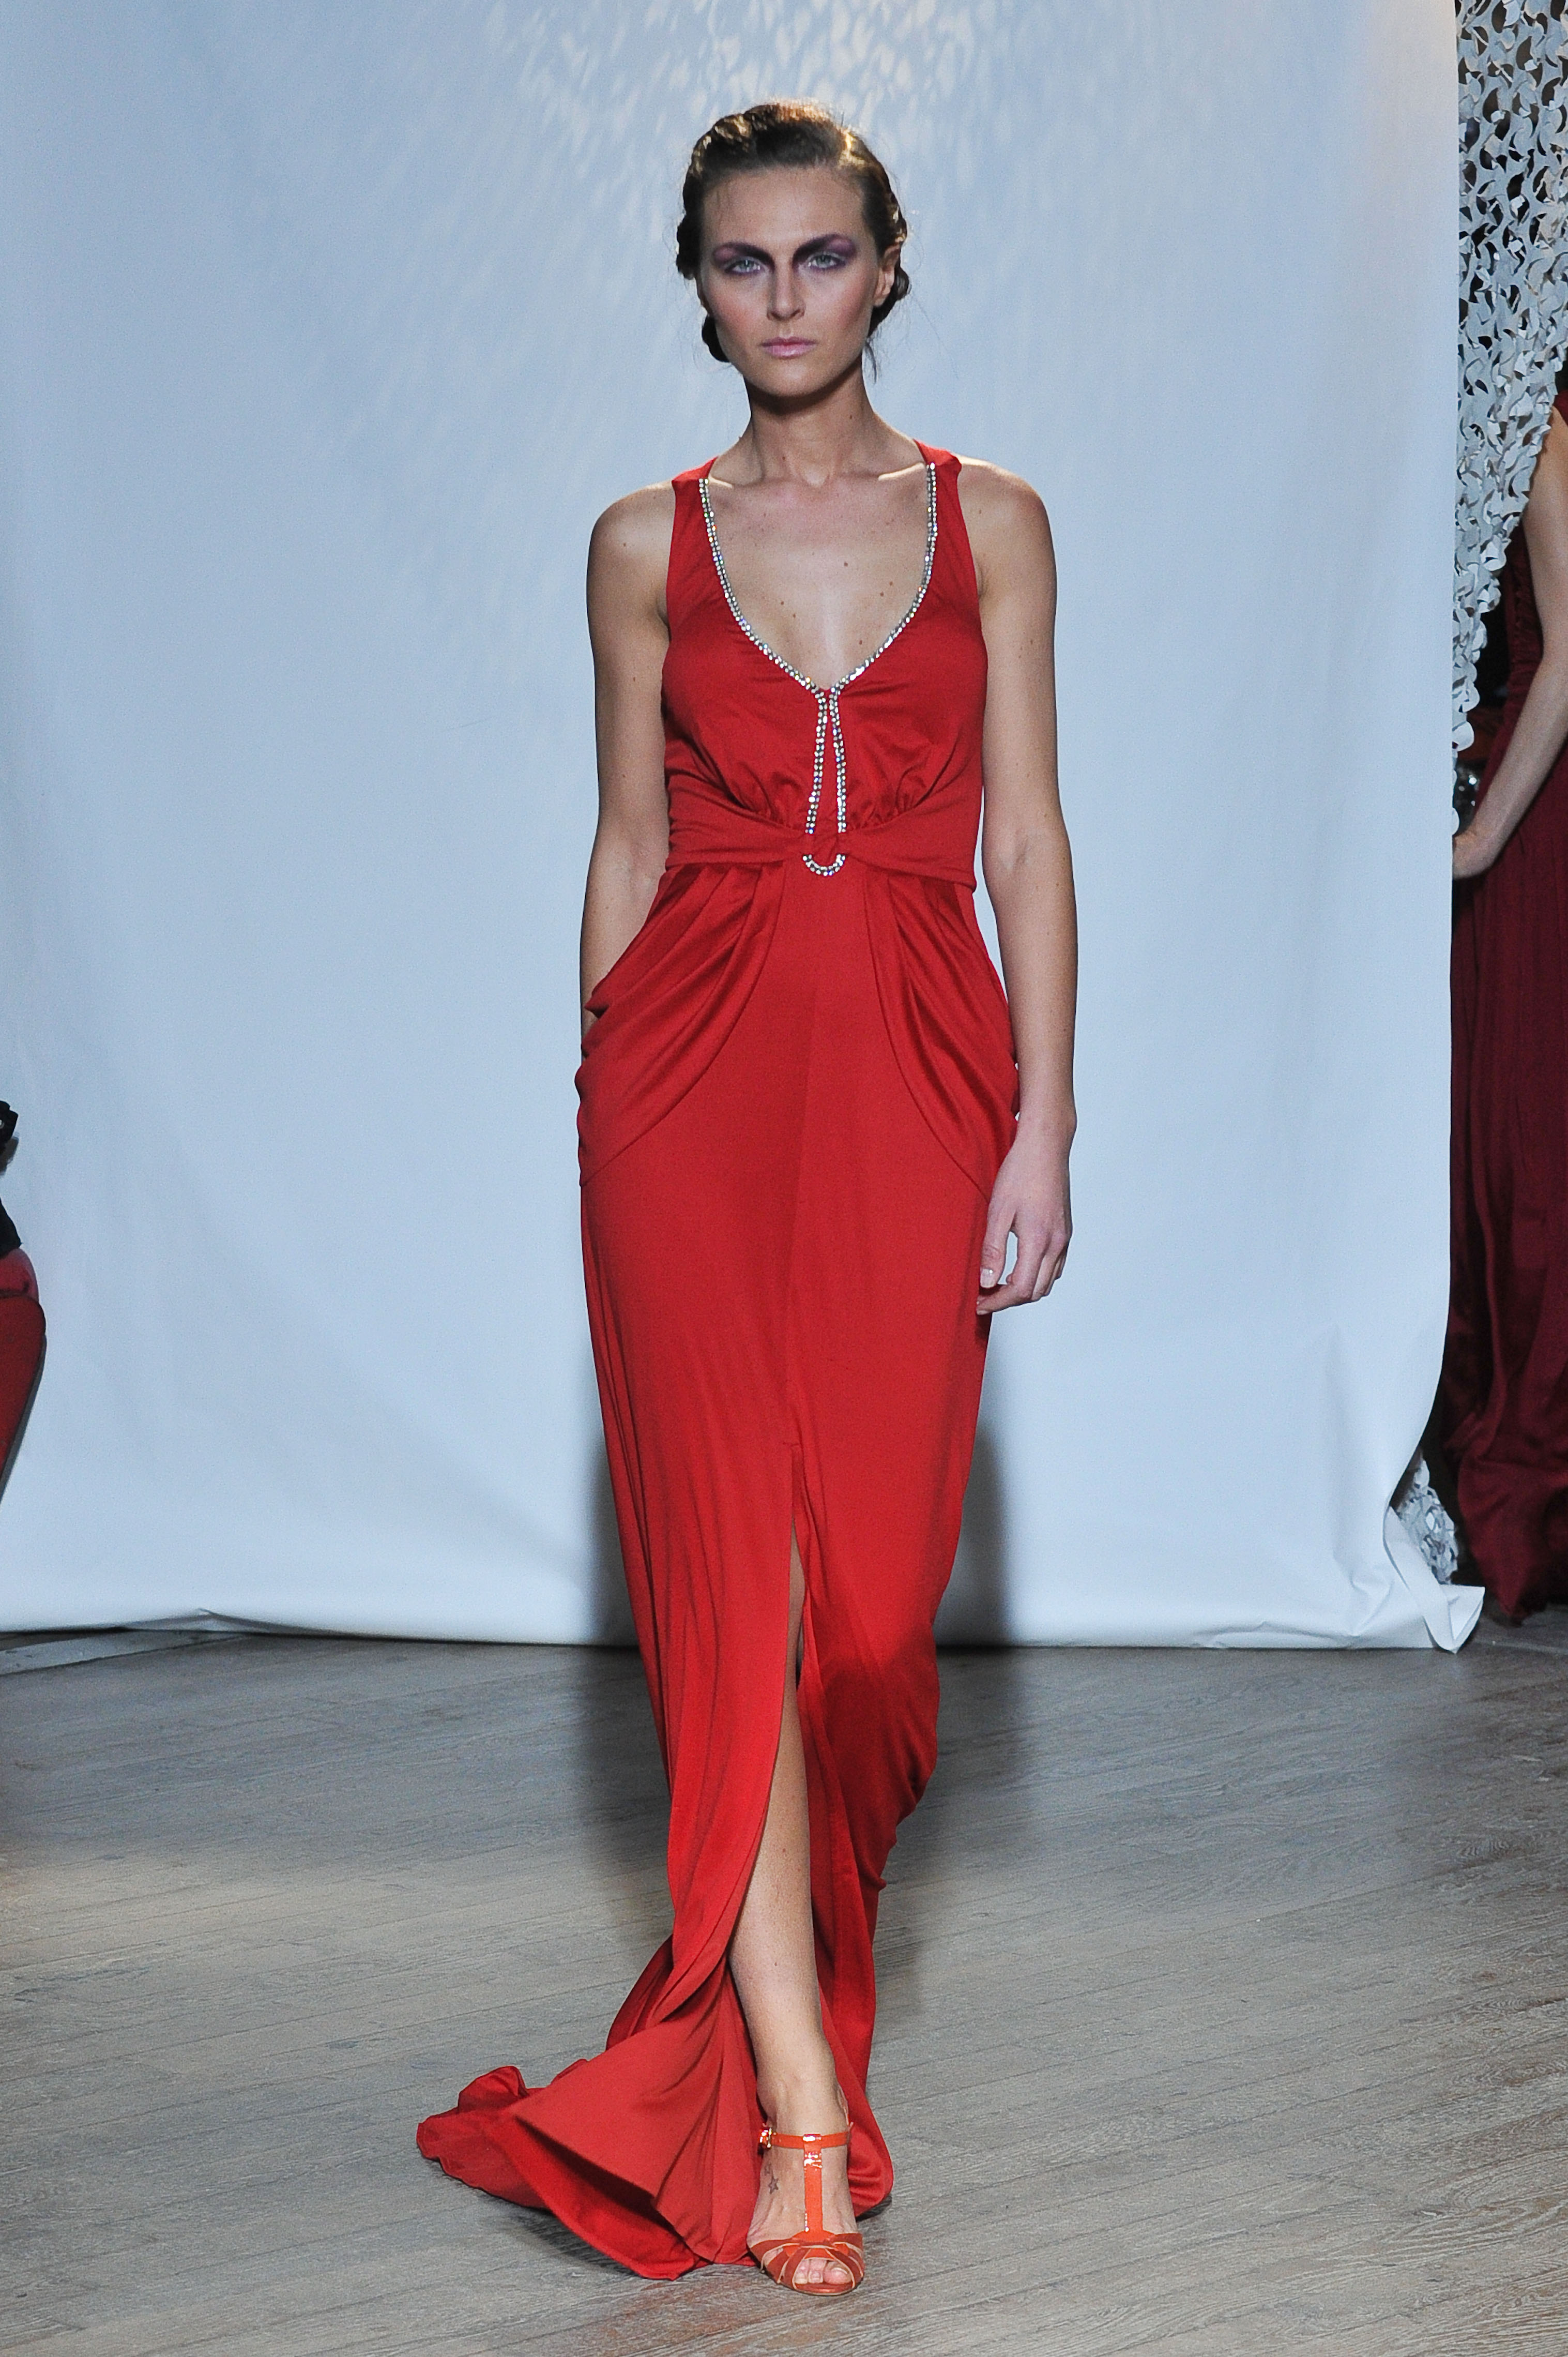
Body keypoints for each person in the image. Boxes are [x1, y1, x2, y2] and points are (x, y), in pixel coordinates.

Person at [418, 100, 1077, 2292]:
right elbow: (624, 841)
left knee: (869, 1621)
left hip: (914, 1065)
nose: (782, 296)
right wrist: (595, 1090)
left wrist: (1044, 1121)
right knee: (740, 1593)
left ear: (884, 268)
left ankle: (780, 2013)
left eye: (818, 256)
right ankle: (796, 2102)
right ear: (696, 288)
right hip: (679, 1088)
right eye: (740, 261)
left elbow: (1023, 840)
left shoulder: (990, 524)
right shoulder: (641, 543)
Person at [1443, 380, 1568, 1619]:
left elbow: (1567, 653)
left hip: (1532, 814)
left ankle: (1527, 1483)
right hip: (1511, 788)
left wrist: (1479, 838)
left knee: (1521, 1148)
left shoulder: (1534, 421)